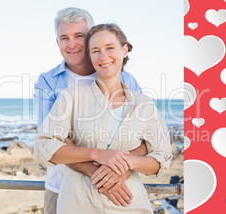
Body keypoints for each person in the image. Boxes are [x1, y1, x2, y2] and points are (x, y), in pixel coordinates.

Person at [34, 23, 172, 214]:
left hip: (129, 203)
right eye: (95, 51)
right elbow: (44, 146)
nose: (103, 56)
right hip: (78, 204)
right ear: (90, 57)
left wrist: (126, 163)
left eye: (110, 48)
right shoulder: (70, 97)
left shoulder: (143, 104)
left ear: (124, 50)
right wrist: (97, 154)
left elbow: (161, 156)